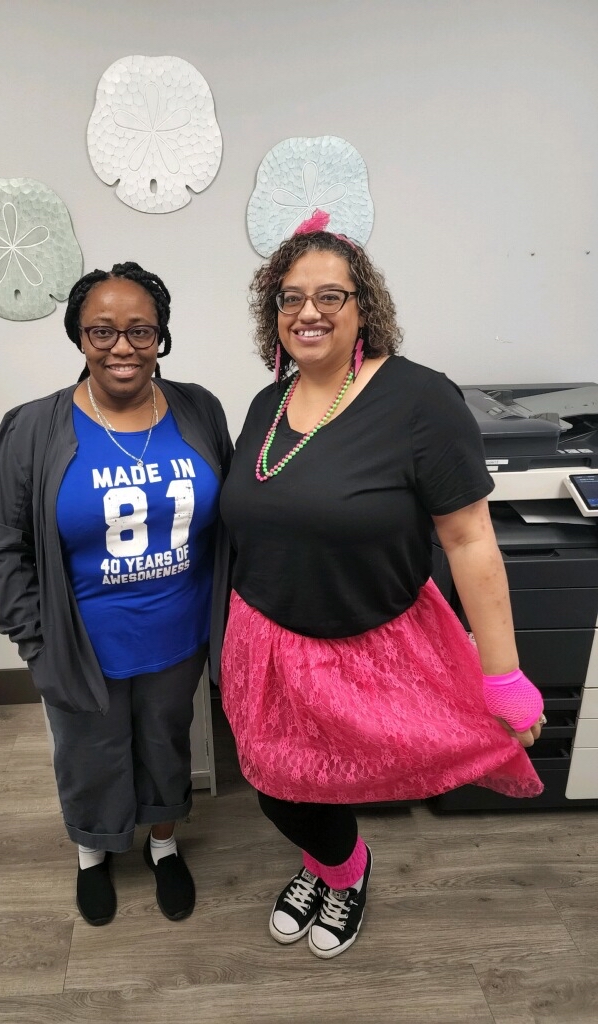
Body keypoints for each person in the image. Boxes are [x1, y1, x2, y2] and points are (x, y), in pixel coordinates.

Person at [219, 210, 545, 961]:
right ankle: (332, 863)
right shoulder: (267, 405)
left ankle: (344, 872)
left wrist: (503, 675)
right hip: (264, 639)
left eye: (330, 295)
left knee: (326, 782)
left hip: (370, 641)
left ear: (365, 305)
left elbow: (470, 540)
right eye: (290, 296)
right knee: (277, 785)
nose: (308, 312)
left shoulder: (421, 400)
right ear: (272, 312)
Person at [0, 261, 232, 927]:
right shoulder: (34, 428)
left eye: (139, 331)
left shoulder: (199, 409)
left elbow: (231, 521)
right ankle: (93, 855)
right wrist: (34, 639)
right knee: (89, 755)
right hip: (80, 644)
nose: (122, 347)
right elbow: (5, 543)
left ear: (161, 336)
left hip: (179, 636)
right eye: (102, 331)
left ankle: (164, 845)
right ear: (78, 337)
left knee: (165, 744)